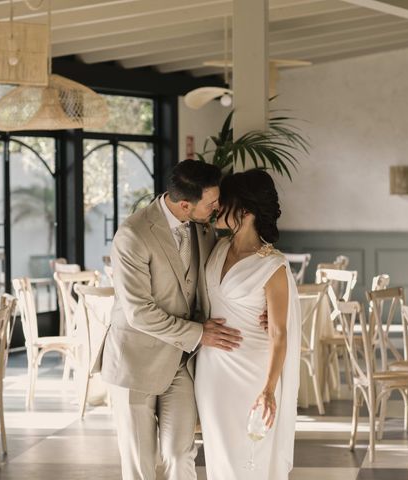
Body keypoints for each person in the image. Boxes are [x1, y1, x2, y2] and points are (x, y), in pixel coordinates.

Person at [101, 159, 244, 480]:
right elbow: (139, 312)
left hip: (181, 362)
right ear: (184, 204)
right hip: (134, 363)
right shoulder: (133, 235)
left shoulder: (204, 226)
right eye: (211, 203)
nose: (217, 207)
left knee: (180, 455)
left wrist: (256, 305)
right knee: (141, 466)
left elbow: (221, 275)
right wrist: (198, 334)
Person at [195, 169, 301, 480]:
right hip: (213, 372)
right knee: (219, 455)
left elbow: (280, 333)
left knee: (250, 455)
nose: (216, 207)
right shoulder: (217, 247)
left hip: (252, 373)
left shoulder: (273, 265)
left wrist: (268, 389)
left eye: (222, 202)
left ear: (245, 210)